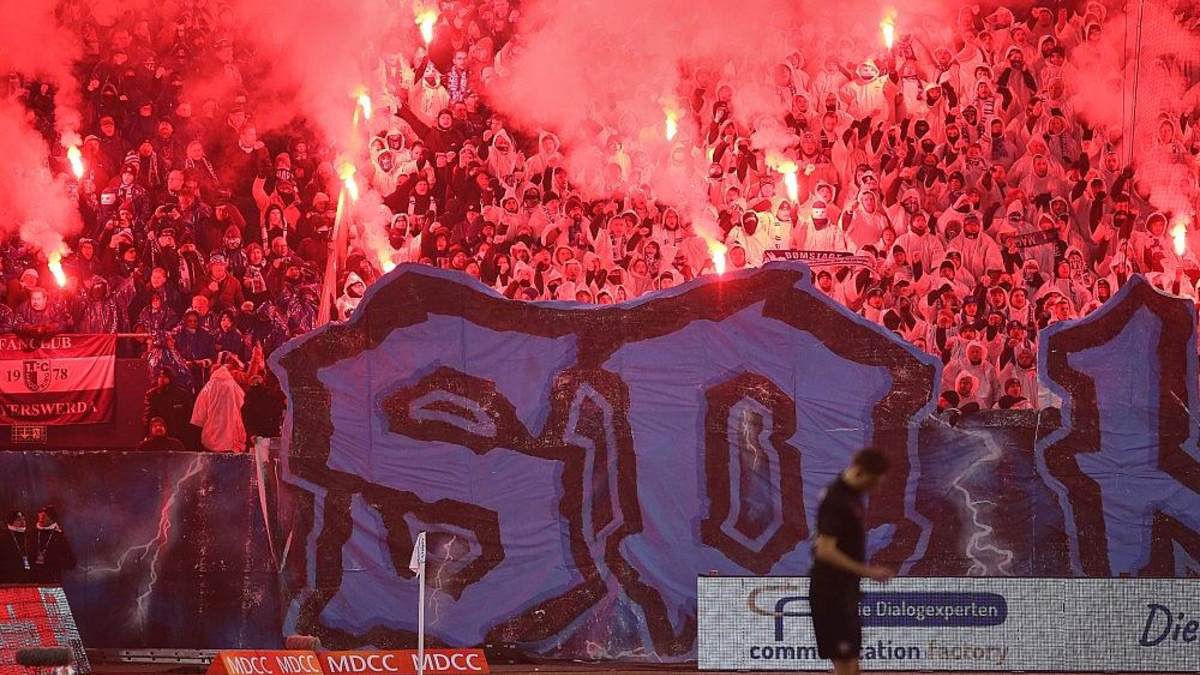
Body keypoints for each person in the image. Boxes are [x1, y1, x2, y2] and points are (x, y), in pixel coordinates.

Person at [809, 448, 894, 675]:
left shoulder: (853, 497)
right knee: (844, 663)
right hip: (830, 591)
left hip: (845, 590)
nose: (874, 488)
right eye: (873, 482)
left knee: (852, 663)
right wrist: (867, 572)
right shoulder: (836, 499)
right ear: (860, 472)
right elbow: (824, 550)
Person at [30, 506, 76, 585]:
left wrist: (54, 561)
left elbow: (71, 563)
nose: (41, 518)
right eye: (39, 515)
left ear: (52, 518)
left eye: (44, 516)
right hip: (32, 581)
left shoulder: (59, 537)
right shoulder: (32, 534)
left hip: (52, 583)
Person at [0, 511, 31, 584]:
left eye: (23, 519)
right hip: (8, 576)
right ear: (11, 521)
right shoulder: (3, 536)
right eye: (19, 520)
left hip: (27, 575)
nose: (22, 522)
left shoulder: (29, 535)